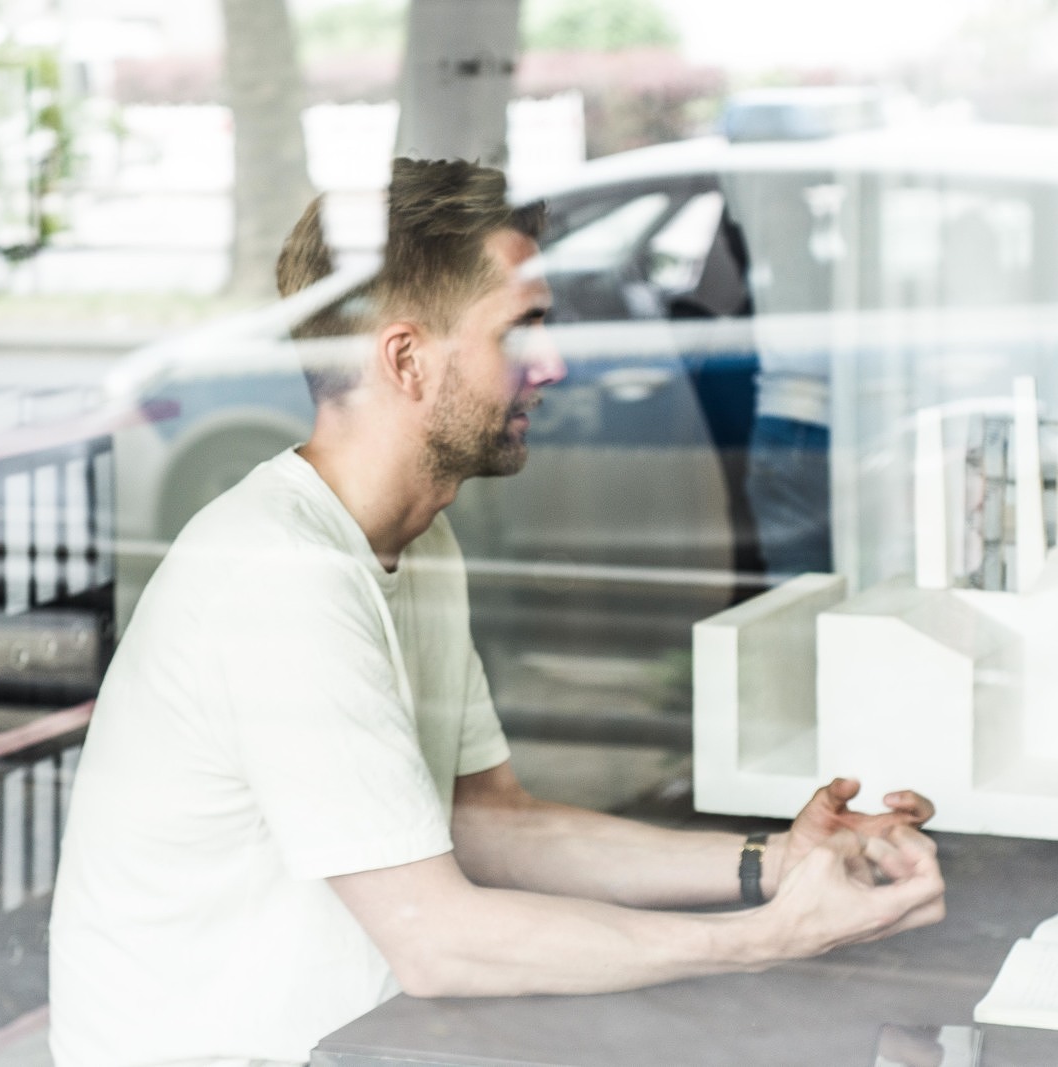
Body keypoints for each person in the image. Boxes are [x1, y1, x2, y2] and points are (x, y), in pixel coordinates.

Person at [49, 158, 945, 1067]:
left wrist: (771, 865)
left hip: (360, 1042)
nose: (552, 365)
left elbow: (492, 824)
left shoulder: (416, 540)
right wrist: (763, 938)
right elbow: (438, 939)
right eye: (522, 331)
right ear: (405, 359)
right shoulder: (280, 573)